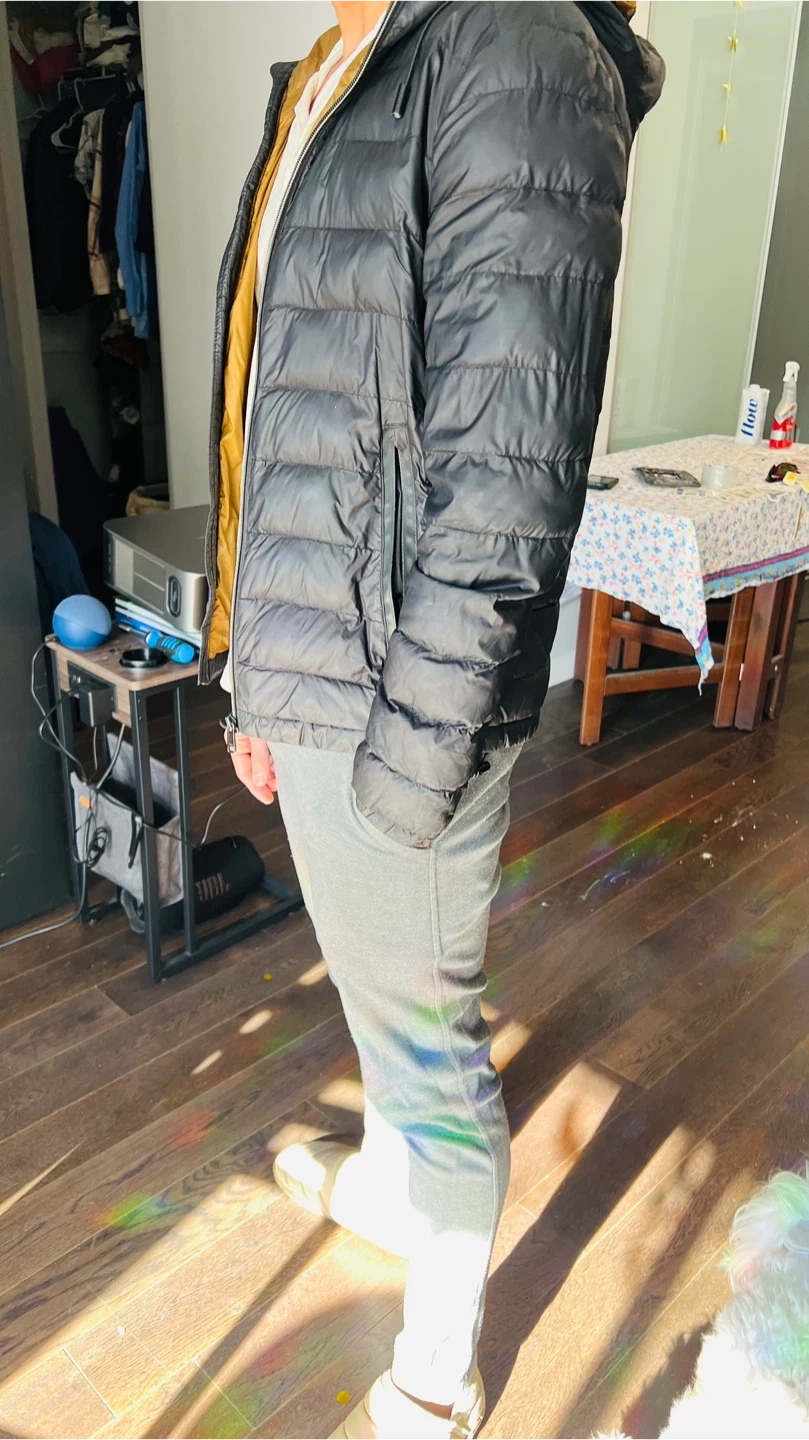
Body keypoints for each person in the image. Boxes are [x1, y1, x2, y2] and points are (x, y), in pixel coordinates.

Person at [201, 1, 663, 1434]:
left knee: (430, 1046)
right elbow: (274, 408)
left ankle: (437, 1371)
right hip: (312, 663)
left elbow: (510, 475)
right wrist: (248, 667)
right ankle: (402, 1187)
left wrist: (412, 763)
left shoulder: (519, 46)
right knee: (375, 993)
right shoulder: (336, 64)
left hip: (397, 696)